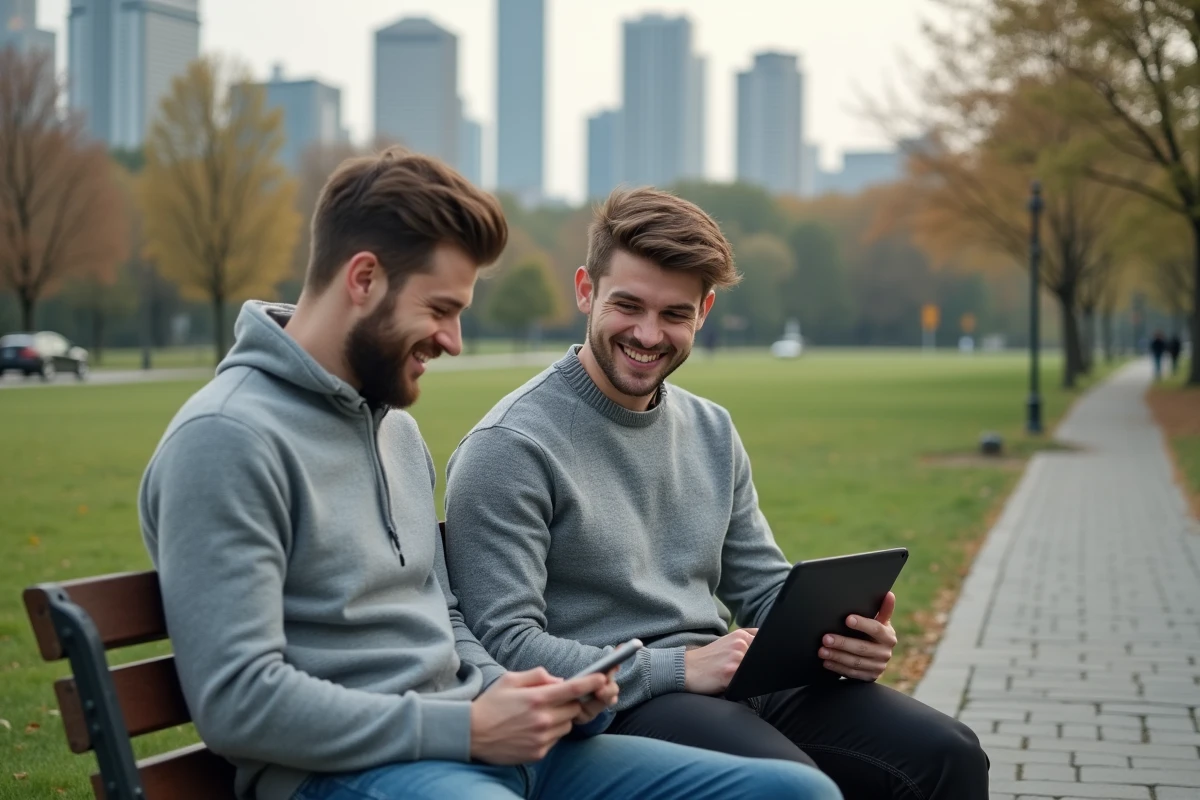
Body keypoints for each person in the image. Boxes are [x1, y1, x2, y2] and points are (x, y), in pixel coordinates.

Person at [137, 153, 841, 800]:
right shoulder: (226, 440)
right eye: (441, 310)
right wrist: (465, 729)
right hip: (344, 772)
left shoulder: (394, 430)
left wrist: (528, 695)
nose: (453, 342)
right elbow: (240, 703)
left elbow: (442, 618)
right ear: (363, 280)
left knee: (798, 795)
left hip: (486, 745)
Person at [444, 187, 990, 800]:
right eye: (628, 305)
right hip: (617, 709)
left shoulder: (712, 428)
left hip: (733, 678)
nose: (649, 335)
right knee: (795, 787)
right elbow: (507, 646)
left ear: (703, 311)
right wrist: (677, 668)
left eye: (675, 314)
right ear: (585, 290)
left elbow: (762, 587)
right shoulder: (510, 445)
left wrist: (846, 635)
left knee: (949, 754)